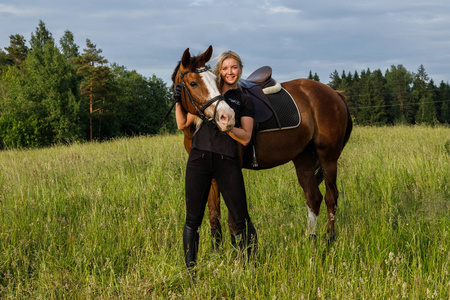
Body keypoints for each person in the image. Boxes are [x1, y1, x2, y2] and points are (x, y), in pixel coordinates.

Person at [175, 51, 258, 272]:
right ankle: (190, 272)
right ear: (218, 71)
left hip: (227, 159)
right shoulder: (208, 92)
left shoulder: (244, 99)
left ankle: (250, 267)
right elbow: (183, 123)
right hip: (199, 158)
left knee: (241, 218)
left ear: (240, 69)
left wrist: (228, 128)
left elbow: (246, 137)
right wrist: (177, 101)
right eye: (225, 68)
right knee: (192, 219)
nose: (229, 72)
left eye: (234, 67)